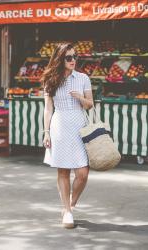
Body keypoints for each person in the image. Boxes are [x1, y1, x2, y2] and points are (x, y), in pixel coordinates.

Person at [41, 43, 93, 228]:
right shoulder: (50, 80)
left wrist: (80, 98)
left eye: (75, 56)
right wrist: (46, 132)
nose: (73, 60)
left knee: (83, 173)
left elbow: (90, 105)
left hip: (80, 126)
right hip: (59, 126)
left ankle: (70, 203)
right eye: (68, 57)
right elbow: (48, 109)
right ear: (59, 59)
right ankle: (67, 211)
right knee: (63, 171)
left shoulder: (83, 78)